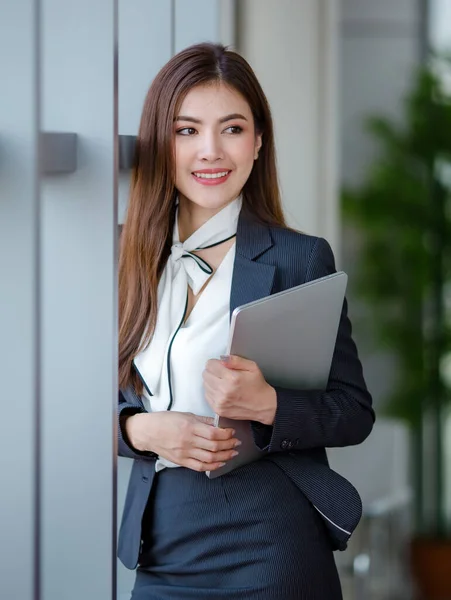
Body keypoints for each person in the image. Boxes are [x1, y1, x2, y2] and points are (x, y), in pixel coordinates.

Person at [117, 42, 374, 600]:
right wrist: (138, 430)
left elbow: (354, 412)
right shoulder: (125, 257)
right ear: (160, 143)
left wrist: (268, 404)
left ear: (258, 142)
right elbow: (78, 400)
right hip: (161, 549)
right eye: (187, 131)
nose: (210, 151)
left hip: (267, 547)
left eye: (231, 129)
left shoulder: (299, 259)